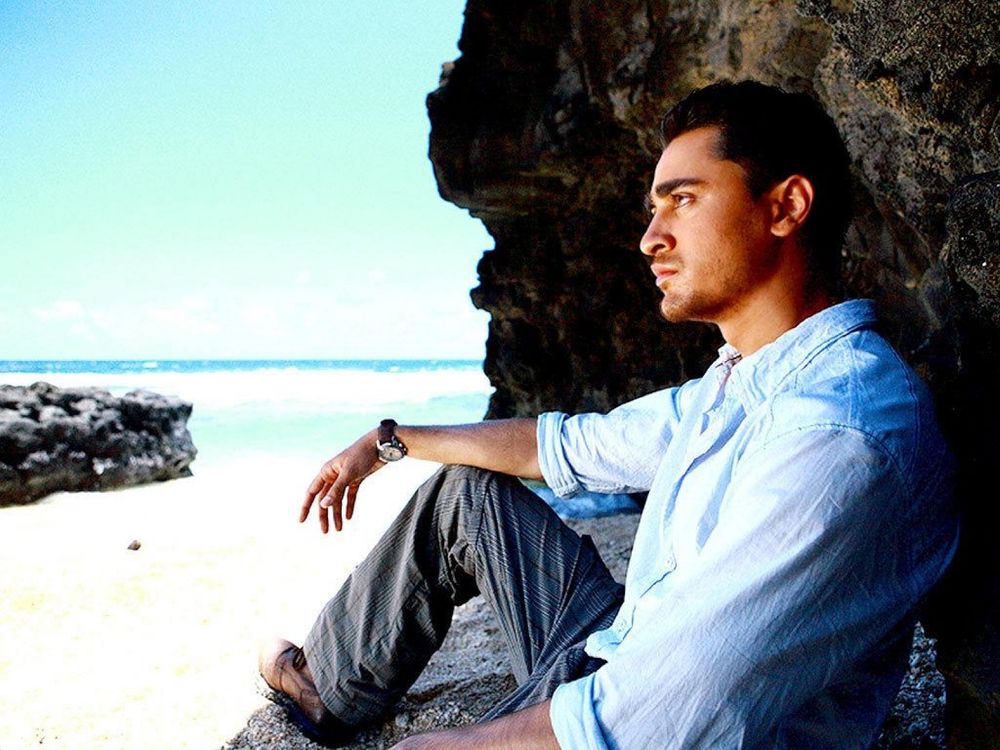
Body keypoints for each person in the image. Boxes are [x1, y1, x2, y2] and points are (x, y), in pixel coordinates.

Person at [258, 80, 959, 749]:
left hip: (678, 721)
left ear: (785, 207)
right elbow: (566, 447)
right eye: (655, 208)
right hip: (628, 652)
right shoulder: (742, 382)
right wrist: (389, 442)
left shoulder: (835, 431)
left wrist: (440, 743)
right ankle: (328, 687)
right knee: (465, 491)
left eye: (683, 200)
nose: (651, 237)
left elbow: (663, 714)